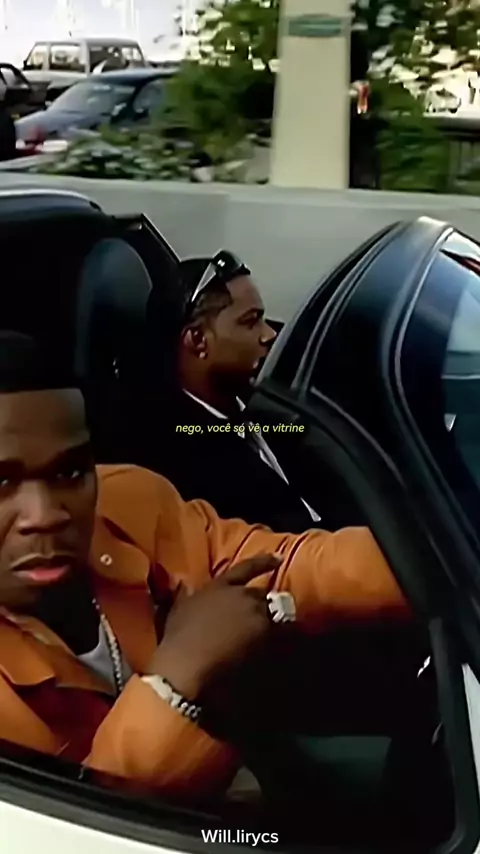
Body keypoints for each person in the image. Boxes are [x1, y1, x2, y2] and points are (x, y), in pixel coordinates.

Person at [0, 330, 409, 800]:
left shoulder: (131, 500)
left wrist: (436, 559)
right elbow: (74, 825)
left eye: (69, 472)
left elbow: (285, 565)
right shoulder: (194, 432)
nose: (46, 515)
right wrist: (175, 682)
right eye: (2, 482)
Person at [152, 250, 328, 533]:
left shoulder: (263, 403)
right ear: (198, 340)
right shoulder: (187, 466)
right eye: (251, 321)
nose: (269, 334)